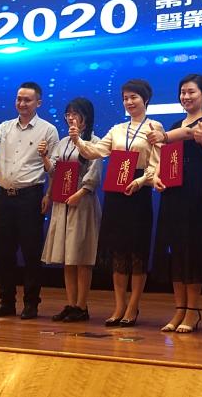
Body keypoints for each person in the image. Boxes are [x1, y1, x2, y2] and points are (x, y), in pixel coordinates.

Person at [73, 79, 163, 327]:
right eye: (125, 98)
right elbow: (95, 152)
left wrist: (141, 181)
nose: (129, 102)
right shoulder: (117, 129)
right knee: (118, 252)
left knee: (137, 253)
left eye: (134, 97)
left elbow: (156, 164)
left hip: (138, 193)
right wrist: (78, 140)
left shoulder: (155, 127)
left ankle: (133, 307)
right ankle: (119, 306)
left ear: (145, 99)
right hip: (116, 192)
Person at [0, 81, 59, 319]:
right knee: (4, 252)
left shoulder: (48, 130)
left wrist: (49, 195)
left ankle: (31, 303)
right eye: (19, 99)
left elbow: (54, 168)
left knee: (31, 252)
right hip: (4, 197)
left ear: (38, 102)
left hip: (30, 196)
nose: (22, 103)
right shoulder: (6, 126)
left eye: (27, 99)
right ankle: (6, 302)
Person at [147, 74, 202, 333]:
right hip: (173, 189)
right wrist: (156, 177)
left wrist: (164, 136)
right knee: (175, 248)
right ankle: (179, 308)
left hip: (195, 188)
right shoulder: (176, 124)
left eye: (191, 92)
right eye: (183, 92)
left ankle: (193, 310)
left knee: (193, 248)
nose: (186, 97)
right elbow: (164, 156)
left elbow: (194, 139)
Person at [39, 97, 102, 322]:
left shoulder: (94, 141)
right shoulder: (63, 142)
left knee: (81, 256)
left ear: (86, 117)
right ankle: (71, 303)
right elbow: (54, 171)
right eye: (68, 114)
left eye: (75, 114)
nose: (71, 118)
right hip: (61, 202)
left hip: (82, 203)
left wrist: (80, 193)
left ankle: (82, 306)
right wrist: (44, 156)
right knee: (68, 258)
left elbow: (94, 174)